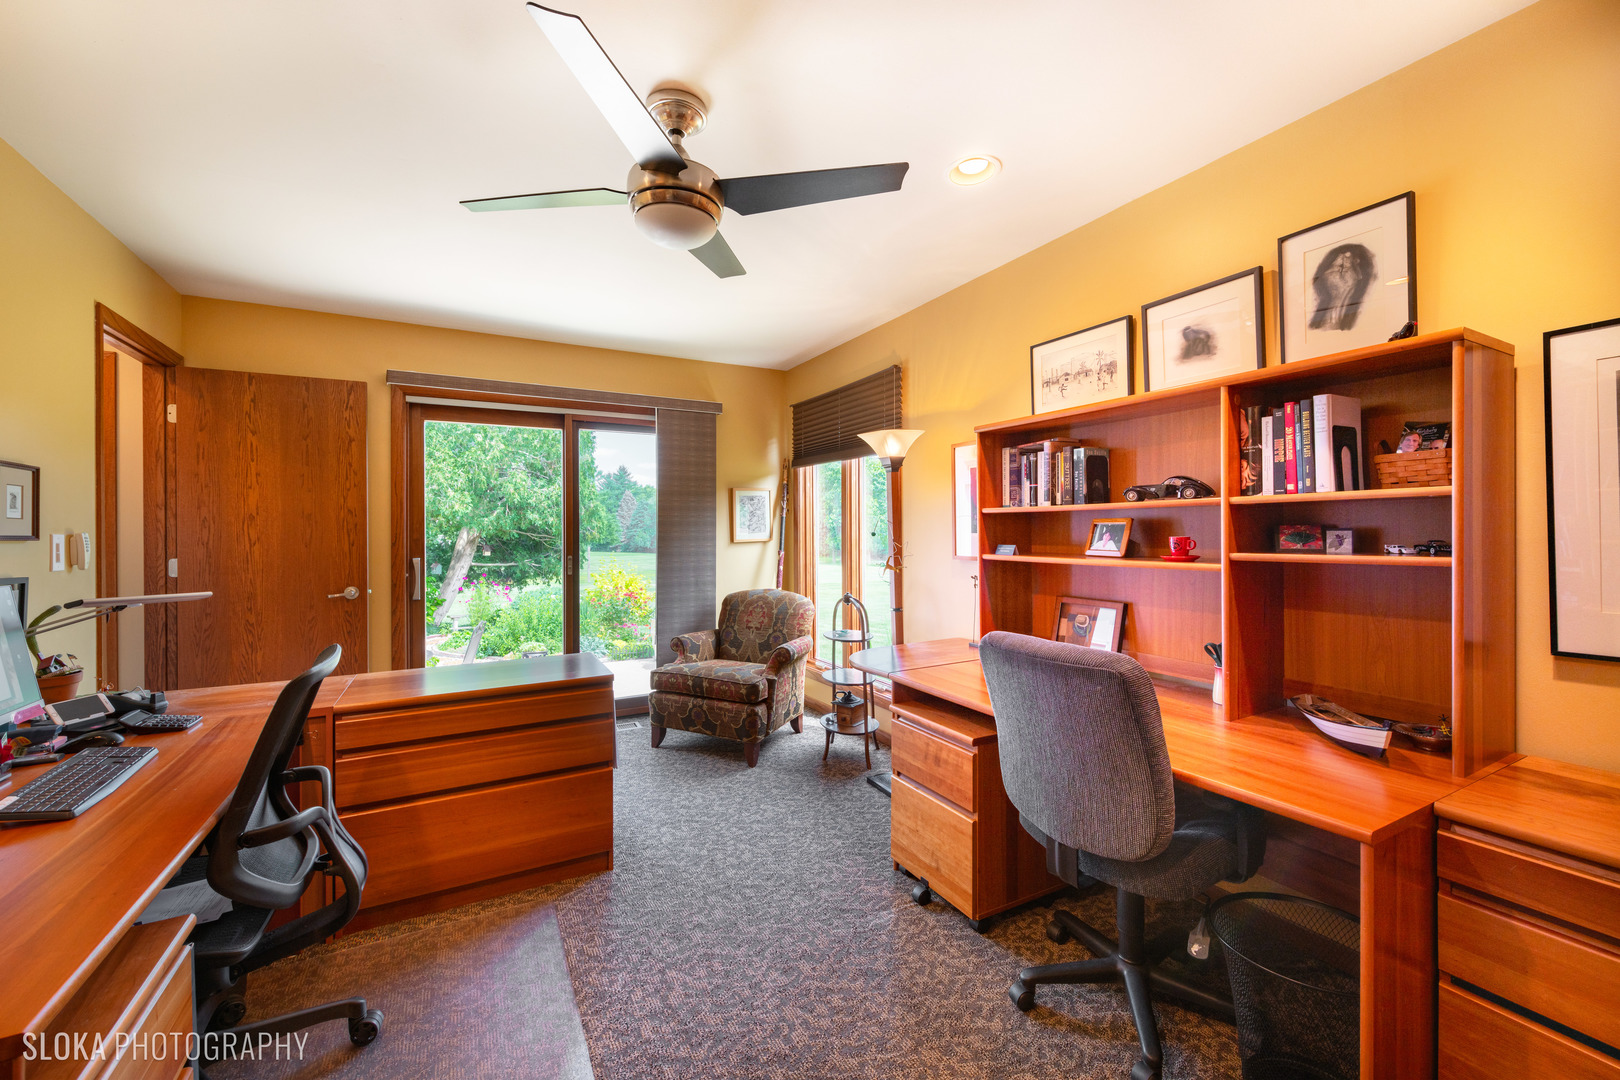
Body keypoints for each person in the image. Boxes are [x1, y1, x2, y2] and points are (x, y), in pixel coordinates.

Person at [1308, 243, 1375, 331]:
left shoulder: (1364, 308)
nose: (1339, 274)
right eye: (1336, 266)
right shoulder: (1316, 300)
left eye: (1346, 268)